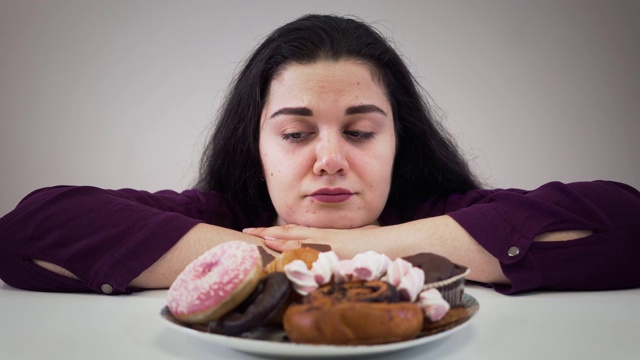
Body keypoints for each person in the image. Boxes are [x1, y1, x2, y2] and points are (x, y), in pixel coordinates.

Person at [0, 14, 638, 296]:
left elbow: (626, 224)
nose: (330, 159)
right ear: (256, 146)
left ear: (398, 143)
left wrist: (359, 251)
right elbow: (26, 232)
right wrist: (276, 256)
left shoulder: (439, 212)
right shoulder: (225, 214)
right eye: (296, 133)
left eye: (359, 132)